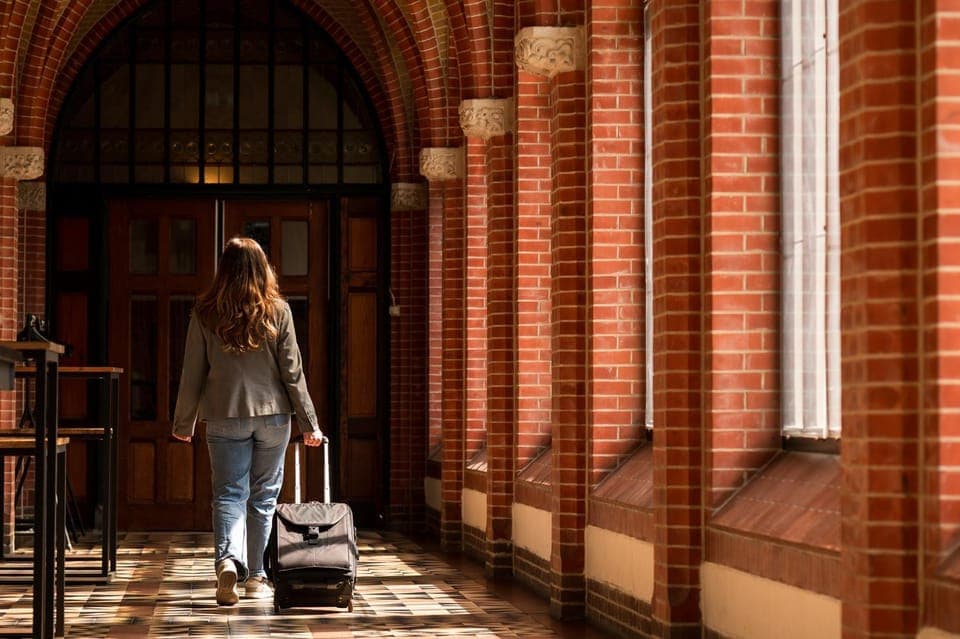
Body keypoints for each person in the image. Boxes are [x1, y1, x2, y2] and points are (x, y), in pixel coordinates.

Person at [171, 237, 323, 606]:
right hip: (273, 417)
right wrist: (309, 423)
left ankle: (226, 560)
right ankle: (256, 576)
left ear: (224, 270)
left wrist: (183, 423)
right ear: (263, 268)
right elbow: (293, 373)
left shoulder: (205, 311)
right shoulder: (278, 311)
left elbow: (193, 371)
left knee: (228, 494)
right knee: (264, 497)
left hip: (224, 414)